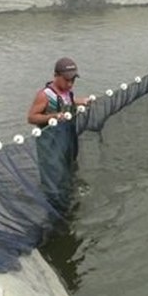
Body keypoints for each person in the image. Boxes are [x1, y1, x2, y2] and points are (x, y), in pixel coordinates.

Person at [27, 57, 90, 215]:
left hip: (65, 141)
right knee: (53, 177)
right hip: (50, 144)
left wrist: (80, 101)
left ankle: (66, 199)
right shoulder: (44, 95)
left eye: (73, 80)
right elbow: (31, 117)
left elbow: (66, 101)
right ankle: (54, 208)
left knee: (66, 171)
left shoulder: (68, 92)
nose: (70, 84)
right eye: (67, 79)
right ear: (56, 76)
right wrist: (52, 117)